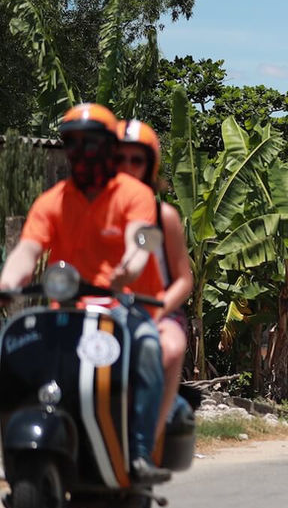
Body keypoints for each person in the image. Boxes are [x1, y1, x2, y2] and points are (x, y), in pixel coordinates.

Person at [0, 104, 169, 484]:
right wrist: (6, 284)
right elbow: (27, 250)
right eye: (73, 143)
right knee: (7, 349)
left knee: (147, 346)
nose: (81, 152)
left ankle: (140, 451)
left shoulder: (133, 194)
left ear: (108, 147)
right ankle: (11, 447)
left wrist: (129, 267)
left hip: (117, 309)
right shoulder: (53, 200)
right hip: (64, 312)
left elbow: (138, 241)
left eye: (90, 143)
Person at [115, 119, 194, 441]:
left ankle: (147, 438)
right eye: (120, 159)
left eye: (137, 160)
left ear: (150, 166)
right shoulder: (91, 209)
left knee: (170, 348)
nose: (128, 167)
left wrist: (158, 310)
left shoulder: (163, 218)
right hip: (99, 308)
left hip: (154, 309)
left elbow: (183, 280)